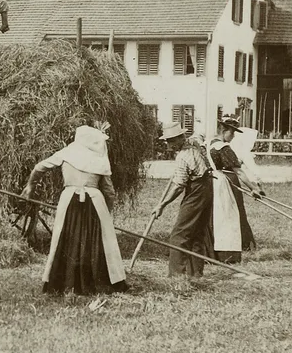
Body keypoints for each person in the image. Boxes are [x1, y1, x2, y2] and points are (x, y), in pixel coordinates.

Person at [21, 124, 128, 295]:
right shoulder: (100, 158)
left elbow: (39, 168)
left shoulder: (67, 153)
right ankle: (96, 281)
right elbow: (109, 191)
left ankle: (65, 282)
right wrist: (107, 214)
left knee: (66, 236)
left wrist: (30, 186)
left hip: (69, 199)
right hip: (95, 201)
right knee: (98, 240)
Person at [154, 122, 215, 278]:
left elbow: (178, 186)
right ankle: (196, 274)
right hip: (207, 188)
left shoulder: (183, 156)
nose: (168, 145)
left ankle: (176, 276)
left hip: (196, 192)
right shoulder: (195, 144)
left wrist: (162, 205)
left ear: (180, 138)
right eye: (167, 141)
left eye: (171, 141)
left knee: (179, 234)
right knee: (196, 233)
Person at [207, 116, 264, 263]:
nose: (233, 137)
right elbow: (238, 171)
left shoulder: (207, 145)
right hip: (223, 185)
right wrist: (254, 188)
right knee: (228, 216)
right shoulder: (224, 148)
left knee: (213, 217)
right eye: (232, 133)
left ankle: (211, 251)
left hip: (209, 184)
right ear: (224, 131)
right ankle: (231, 252)